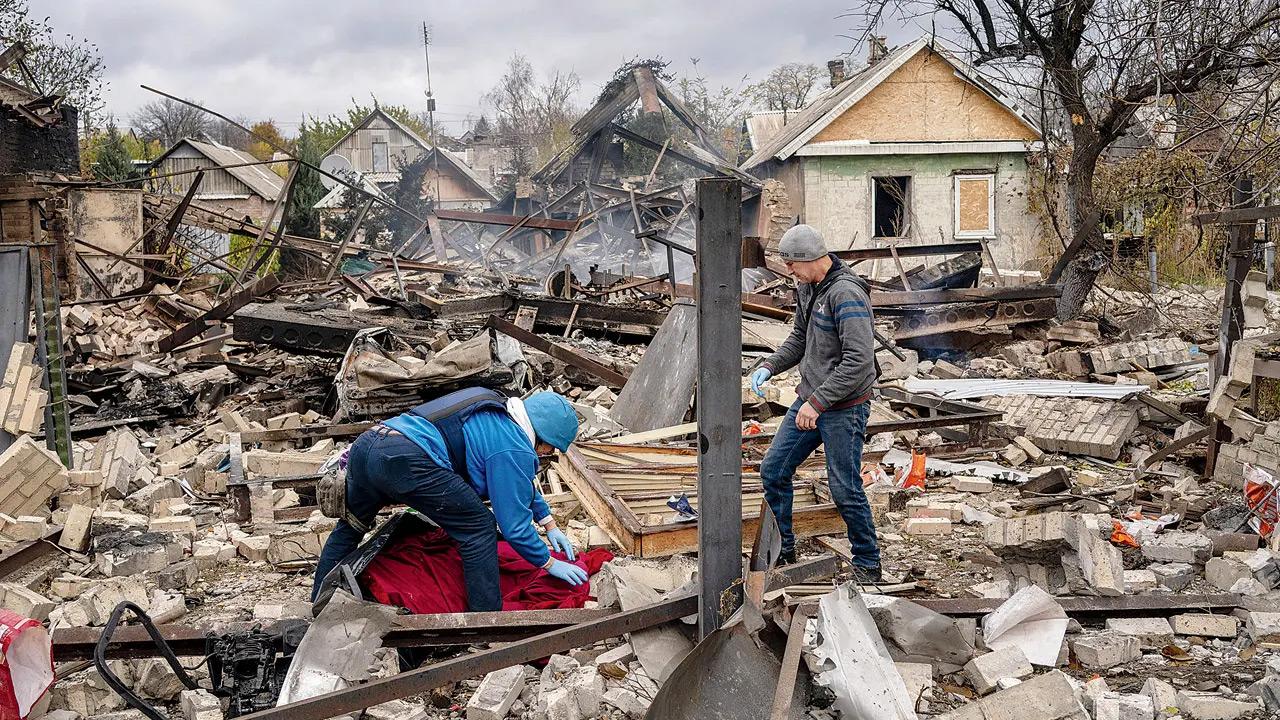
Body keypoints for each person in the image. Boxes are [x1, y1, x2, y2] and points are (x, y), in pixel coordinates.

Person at [312, 388, 589, 609]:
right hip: (407, 460)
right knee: (478, 527)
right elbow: (514, 527)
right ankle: (487, 621)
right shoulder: (513, 446)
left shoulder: (496, 408)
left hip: (370, 445)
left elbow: (519, 483)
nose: (546, 453)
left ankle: (318, 603)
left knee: (351, 527)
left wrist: (549, 523)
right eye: (550, 448)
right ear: (542, 437)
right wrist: (548, 562)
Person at [750, 224, 882, 581]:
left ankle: (868, 564)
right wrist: (769, 366)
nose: (788, 270)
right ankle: (783, 551)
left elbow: (859, 362)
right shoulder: (808, 288)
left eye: (792, 263)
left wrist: (818, 402)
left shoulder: (846, 294)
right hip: (811, 398)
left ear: (810, 258)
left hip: (844, 407)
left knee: (844, 487)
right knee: (774, 470)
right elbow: (799, 338)